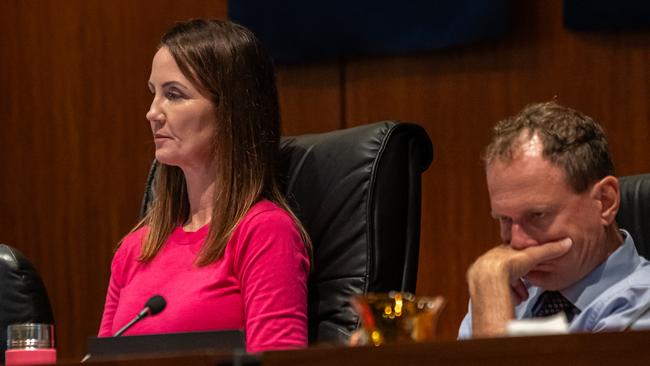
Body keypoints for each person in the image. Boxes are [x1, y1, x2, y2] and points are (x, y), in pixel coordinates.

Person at [98, 19, 311, 353]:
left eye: (174, 95)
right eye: (153, 93)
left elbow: (279, 362)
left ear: (230, 111)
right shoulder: (133, 250)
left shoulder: (265, 233)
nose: (152, 113)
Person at [459, 102, 650, 338]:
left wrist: (491, 304)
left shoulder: (642, 305)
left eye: (537, 215)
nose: (517, 243)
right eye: (505, 219)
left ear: (605, 201)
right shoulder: (504, 287)